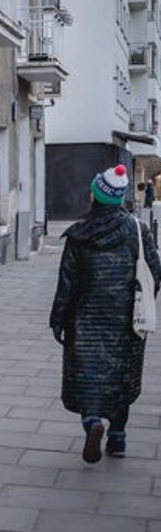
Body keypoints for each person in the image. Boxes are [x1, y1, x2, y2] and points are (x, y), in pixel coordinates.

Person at [50, 165, 161, 463]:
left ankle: (92, 423)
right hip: (126, 323)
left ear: (95, 196)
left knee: (89, 379)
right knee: (120, 380)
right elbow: (155, 271)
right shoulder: (138, 230)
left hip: (85, 322)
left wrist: (58, 319)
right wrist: (142, 300)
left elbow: (67, 283)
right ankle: (118, 439)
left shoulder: (79, 234)